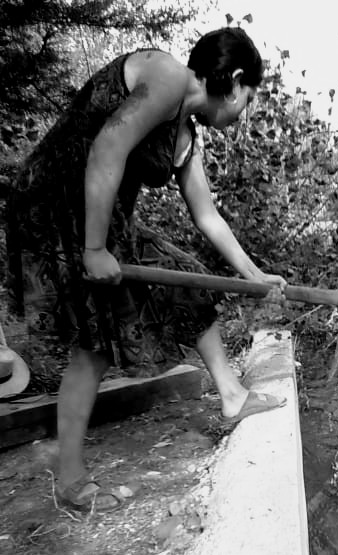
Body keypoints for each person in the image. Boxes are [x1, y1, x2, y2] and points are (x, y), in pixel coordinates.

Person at [5, 27, 287, 512]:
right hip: (56, 204)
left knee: (186, 277)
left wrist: (253, 275)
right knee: (95, 344)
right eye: (250, 98)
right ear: (235, 80)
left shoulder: (187, 135)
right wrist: (94, 249)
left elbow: (207, 216)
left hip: (101, 217)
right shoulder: (166, 76)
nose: (246, 112)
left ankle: (233, 395)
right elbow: (106, 150)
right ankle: (70, 481)